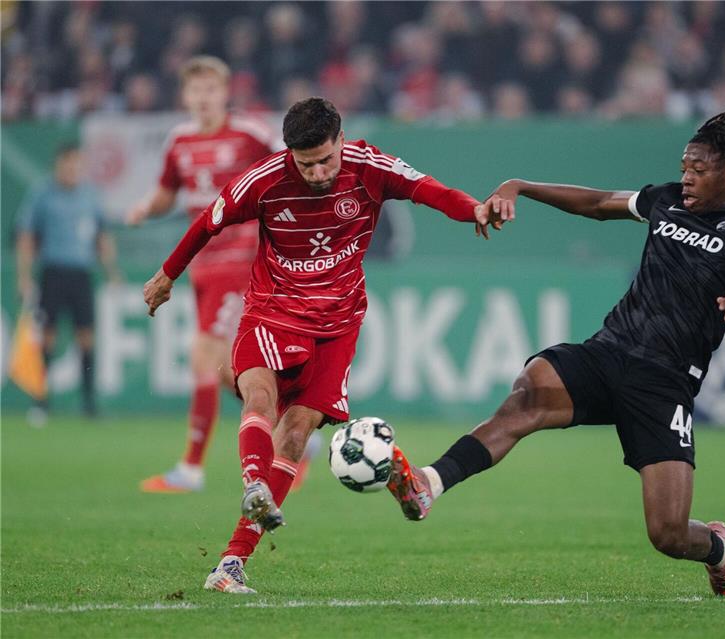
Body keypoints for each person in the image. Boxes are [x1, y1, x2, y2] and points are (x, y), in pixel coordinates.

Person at [386, 112, 725, 597]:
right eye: (684, 166)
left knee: (668, 534)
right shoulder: (668, 200)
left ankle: (717, 548)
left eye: (699, 170)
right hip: (609, 351)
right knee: (529, 392)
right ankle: (429, 482)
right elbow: (596, 203)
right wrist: (521, 185)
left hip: (666, 380)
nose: (687, 177)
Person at [142, 97, 488, 594]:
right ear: (290, 155)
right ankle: (254, 486)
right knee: (259, 395)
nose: (319, 172)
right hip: (272, 310)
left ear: (341, 139)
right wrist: (166, 275)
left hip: (337, 324)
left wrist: (473, 209)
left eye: (326, 159)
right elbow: (207, 222)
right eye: (306, 164)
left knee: (299, 429)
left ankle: (231, 563)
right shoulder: (263, 180)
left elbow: (430, 190)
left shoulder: (371, 167)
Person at [126, 56, 311, 494]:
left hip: (242, 260)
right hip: (202, 264)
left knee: (205, 355)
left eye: (212, 89)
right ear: (185, 95)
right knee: (231, 371)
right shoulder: (179, 140)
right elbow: (167, 194)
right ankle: (296, 429)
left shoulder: (250, 134)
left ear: (225, 93)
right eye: (196, 90)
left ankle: (191, 468)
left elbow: (292, 168)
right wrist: (142, 209)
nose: (204, 98)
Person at [15, 143, 121, 424]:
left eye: (77, 164)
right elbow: (26, 236)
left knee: (86, 337)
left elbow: (102, 236)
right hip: (52, 272)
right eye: (67, 164)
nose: (72, 170)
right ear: (58, 165)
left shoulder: (90, 196)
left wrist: (111, 271)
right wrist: (23, 277)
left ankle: (89, 402)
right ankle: (40, 401)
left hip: (81, 274)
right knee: (47, 336)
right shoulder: (42, 194)